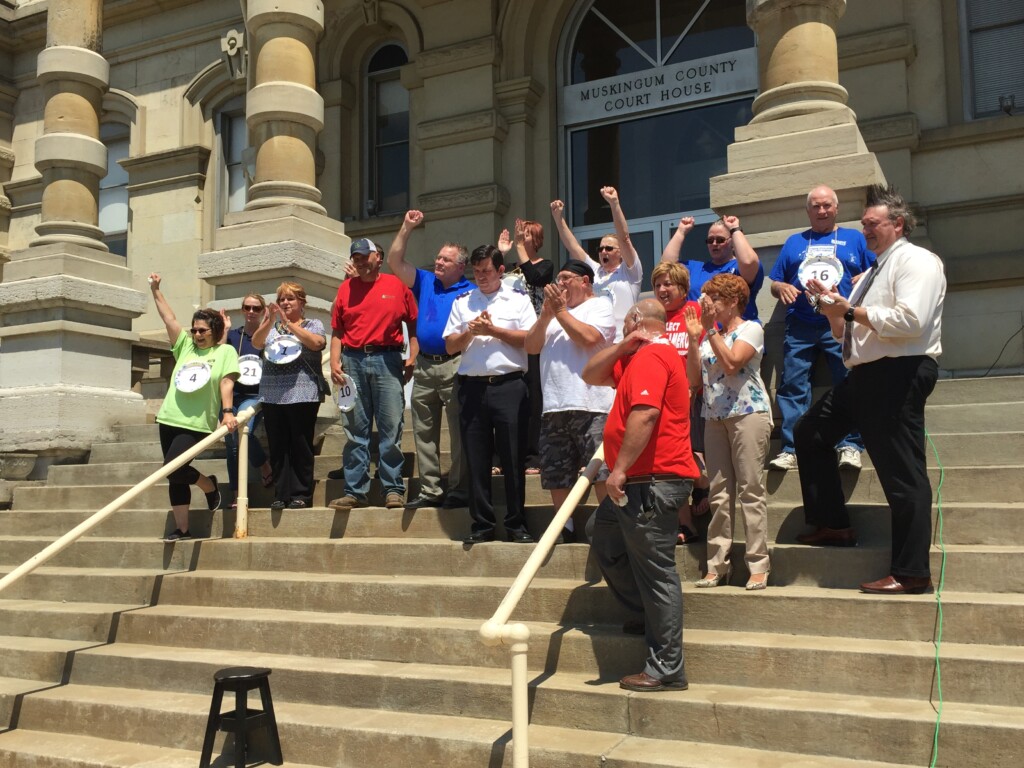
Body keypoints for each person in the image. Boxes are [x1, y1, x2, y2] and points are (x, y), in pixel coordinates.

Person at [794, 184, 945, 595]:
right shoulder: (871, 272)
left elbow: (909, 321)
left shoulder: (917, 261)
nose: (866, 231)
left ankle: (912, 572)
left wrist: (850, 308)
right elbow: (847, 328)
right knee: (810, 433)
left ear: (898, 224)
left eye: (872, 224)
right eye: (863, 225)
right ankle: (833, 525)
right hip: (863, 375)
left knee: (902, 473)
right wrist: (833, 309)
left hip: (899, 372)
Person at [582, 298, 699, 692]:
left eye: (627, 321)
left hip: (650, 481)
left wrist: (619, 469)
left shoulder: (654, 357)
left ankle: (666, 667)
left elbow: (645, 414)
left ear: (636, 319)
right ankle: (646, 614)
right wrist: (622, 345)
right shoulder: (637, 357)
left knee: (657, 573)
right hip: (638, 482)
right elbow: (590, 373)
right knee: (602, 533)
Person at [767, 185, 874, 472]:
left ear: (837, 208)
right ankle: (792, 448)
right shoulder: (794, 242)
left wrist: (865, 277)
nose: (822, 210)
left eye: (827, 205)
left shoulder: (855, 238)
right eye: (816, 206)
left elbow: (877, 269)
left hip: (840, 321)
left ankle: (850, 444)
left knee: (848, 380)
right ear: (808, 210)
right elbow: (775, 281)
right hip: (802, 323)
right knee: (792, 385)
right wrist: (782, 288)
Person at [684, 274, 773, 590]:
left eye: (714, 301)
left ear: (733, 301)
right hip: (714, 417)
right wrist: (696, 339)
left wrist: (709, 331)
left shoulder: (751, 329)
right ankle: (717, 564)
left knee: (750, 488)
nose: (708, 307)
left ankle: (758, 564)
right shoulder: (711, 336)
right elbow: (694, 379)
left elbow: (733, 363)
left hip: (748, 413)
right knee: (718, 492)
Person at [443, 244, 537, 544]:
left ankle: (516, 522)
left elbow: (529, 339)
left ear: (500, 271)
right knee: (476, 459)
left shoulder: (518, 300)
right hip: (472, 387)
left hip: (509, 385)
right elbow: (449, 346)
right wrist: (472, 331)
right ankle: (481, 523)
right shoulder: (463, 301)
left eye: (487, 271)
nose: (481, 277)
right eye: (477, 271)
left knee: (512, 457)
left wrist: (494, 331)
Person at [386, 210, 472, 509]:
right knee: (423, 431)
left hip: (457, 363)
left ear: (460, 267)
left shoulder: (471, 291)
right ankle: (430, 491)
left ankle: (460, 489)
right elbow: (394, 262)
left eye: (445, 260)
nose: (438, 262)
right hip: (424, 363)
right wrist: (407, 227)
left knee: (459, 431)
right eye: (438, 257)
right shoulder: (425, 281)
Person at [524, 260, 615, 541]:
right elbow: (531, 346)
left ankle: (608, 528)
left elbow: (588, 338)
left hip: (592, 404)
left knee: (599, 471)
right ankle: (563, 528)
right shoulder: (552, 315)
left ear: (585, 281)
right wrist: (545, 316)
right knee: (556, 471)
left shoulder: (599, 306)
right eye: (558, 279)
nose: (559, 284)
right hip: (554, 405)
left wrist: (560, 311)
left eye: (566, 278)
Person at [328, 238, 419, 511]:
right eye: (355, 256)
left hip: (388, 359)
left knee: (391, 427)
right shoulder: (345, 288)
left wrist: (412, 355)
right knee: (355, 430)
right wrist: (334, 361)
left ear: (378, 257)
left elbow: (413, 325)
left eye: (364, 256)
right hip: (352, 361)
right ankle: (355, 491)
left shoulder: (397, 286)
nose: (359, 261)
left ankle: (392, 489)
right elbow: (337, 331)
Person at [148, 274, 239, 542]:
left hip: (197, 422)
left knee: (173, 468)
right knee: (174, 476)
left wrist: (227, 411)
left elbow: (226, 382)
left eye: (203, 330)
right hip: (169, 418)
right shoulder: (185, 347)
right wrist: (156, 290)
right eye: (195, 330)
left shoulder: (224, 353)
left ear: (215, 331)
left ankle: (208, 485)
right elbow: (169, 319)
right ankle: (183, 529)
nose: (197, 334)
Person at [252, 282, 327, 510]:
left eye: (291, 299)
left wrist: (290, 325)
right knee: (278, 445)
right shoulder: (272, 327)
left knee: (301, 444)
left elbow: (317, 343)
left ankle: (301, 494)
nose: (285, 303)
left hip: (303, 392)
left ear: (302, 302)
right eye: (282, 299)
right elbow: (256, 342)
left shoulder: (313, 324)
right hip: (272, 394)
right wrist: (269, 321)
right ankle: (281, 494)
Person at [650, 261, 709, 544]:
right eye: (657, 285)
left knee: (690, 457)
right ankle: (684, 523)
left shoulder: (694, 311)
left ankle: (703, 487)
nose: (662, 290)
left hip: (695, 398)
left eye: (668, 284)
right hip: (663, 401)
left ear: (683, 288)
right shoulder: (654, 318)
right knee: (674, 462)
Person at [551, 186, 643, 341]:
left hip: (622, 342)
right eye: (600, 249)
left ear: (620, 252)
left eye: (609, 248)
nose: (603, 252)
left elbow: (624, 238)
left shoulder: (630, 272)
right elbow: (572, 246)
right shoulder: (594, 271)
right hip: (597, 344)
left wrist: (614, 204)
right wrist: (558, 219)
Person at [499, 218, 553, 475]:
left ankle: (534, 456)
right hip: (508, 337)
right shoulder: (509, 266)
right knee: (506, 397)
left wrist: (519, 249)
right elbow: (491, 279)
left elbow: (534, 278)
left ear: (538, 240)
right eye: (521, 234)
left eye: (527, 235)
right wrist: (502, 252)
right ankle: (501, 457)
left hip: (533, 337)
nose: (522, 237)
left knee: (534, 399)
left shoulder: (546, 265)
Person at [660, 214, 763, 321]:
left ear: (732, 242)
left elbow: (749, 261)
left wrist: (735, 230)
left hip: (736, 333)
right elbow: (666, 266)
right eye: (710, 240)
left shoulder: (738, 267)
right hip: (700, 334)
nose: (714, 244)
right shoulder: (696, 268)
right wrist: (681, 232)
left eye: (720, 240)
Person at [223, 293, 274, 508]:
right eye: (247, 307)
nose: (251, 312)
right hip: (231, 395)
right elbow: (219, 354)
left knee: (244, 429)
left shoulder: (269, 336)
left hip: (255, 395)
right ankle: (236, 493)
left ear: (262, 311)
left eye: (256, 308)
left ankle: (263, 465)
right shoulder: (234, 336)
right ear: (242, 310)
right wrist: (224, 330)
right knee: (230, 444)